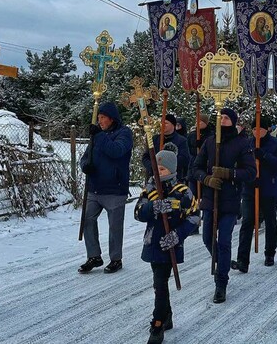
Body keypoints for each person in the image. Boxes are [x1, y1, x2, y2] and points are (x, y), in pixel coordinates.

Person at [134, 147, 199, 344]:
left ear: (171, 170)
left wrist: (177, 235)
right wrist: (152, 207)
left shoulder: (182, 192)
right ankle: (167, 314)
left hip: (171, 245)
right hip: (153, 242)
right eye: (156, 169)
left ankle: (158, 322)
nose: (157, 173)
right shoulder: (149, 190)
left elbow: (195, 217)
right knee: (159, 283)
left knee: (160, 283)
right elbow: (137, 213)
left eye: (161, 169)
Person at [192, 108, 256, 303]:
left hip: (230, 200)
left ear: (233, 121)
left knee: (224, 241)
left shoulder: (241, 143)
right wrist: (206, 179)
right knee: (207, 238)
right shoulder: (210, 142)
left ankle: (221, 283)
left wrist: (229, 174)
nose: (223, 120)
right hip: (210, 198)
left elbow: (250, 172)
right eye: (220, 117)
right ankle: (223, 263)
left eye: (226, 118)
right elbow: (195, 168)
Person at [78, 102, 134, 274]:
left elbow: (116, 151)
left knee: (114, 226)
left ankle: (116, 258)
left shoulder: (124, 133)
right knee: (87, 220)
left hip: (114, 188)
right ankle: (94, 256)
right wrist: (85, 165)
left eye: (103, 118)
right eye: (99, 118)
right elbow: (86, 157)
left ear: (112, 118)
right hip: (94, 187)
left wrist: (99, 136)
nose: (100, 121)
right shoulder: (97, 135)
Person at [232, 116, 277, 272]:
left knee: (270, 221)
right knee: (247, 222)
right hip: (250, 189)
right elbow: (239, 164)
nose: (257, 132)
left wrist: (264, 156)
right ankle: (243, 259)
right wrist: (248, 178)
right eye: (254, 129)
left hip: (269, 188)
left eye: (260, 129)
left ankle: (270, 253)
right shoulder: (247, 143)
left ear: (267, 129)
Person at [142, 114, 190, 183]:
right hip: (154, 179)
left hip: (173, 180)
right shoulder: (155, 139)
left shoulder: (181, 140)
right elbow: (146, 157)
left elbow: (184, 159)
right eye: (162, 123)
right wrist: (154, 168)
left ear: (173, 125)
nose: (163, 125)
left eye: (166, 123)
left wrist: (167, 168)